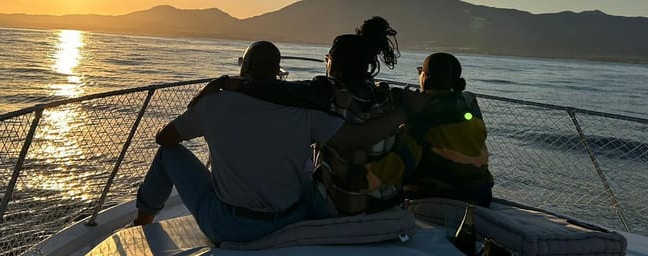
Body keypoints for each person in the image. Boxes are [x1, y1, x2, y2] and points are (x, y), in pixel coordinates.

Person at [132, 41, 410, 243]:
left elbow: (164, 139)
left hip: (230, 227)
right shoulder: (306, 110)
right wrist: (404, 113)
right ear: (278, 73)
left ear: (247, 67)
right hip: (291, 220)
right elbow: (354, 140)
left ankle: (141, 224)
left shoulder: (214, 104)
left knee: (168, 155)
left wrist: (201, 110)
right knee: (303, 168)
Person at [214, 17, 406, 215]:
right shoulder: (384, 94)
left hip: (342, 204)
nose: (326, 63)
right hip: (386, 201)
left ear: (336, 64)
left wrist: (233, 83)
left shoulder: (327, 90)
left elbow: (281, 90)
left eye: (327, 59)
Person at [398, 52, 494, 207]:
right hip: (481, 193)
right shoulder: (469, 106)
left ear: (426, 77)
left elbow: (401, 161)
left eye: (420, 71)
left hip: (443, 196)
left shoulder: (422, 115)